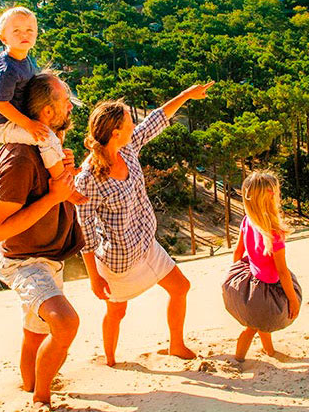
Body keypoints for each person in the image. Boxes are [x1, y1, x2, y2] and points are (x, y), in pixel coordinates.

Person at [74, 82, 213, 367]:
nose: (134, 126)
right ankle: (110, 361)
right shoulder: (88, 177)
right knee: (117, 312)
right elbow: (85, 230)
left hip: (147, 244)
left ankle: (176, 345)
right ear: (115, 133)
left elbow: (156, 119)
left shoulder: (127, 148)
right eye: (129, 122)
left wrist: (186, 94)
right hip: (119, 260)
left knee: (180, 287)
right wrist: (93, 277)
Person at [0, 71, 85, 409]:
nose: (70, 108)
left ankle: (29, 386)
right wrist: (54, 196)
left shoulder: (47, 148)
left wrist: (67, 177)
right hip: (24, 261)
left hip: (47, 257)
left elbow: (57, 192)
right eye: (65, 102)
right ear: (46, 112)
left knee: (35, 334)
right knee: (65, 323)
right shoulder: (18, 157)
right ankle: (41, 399)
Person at [222, 170, 302, 361]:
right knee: (253, 327)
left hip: (251, 282)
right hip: (267, 288)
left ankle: (269, 351)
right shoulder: (274, 233)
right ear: (271, 198)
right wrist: (293, 300)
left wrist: (237, 281)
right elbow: (282, 272)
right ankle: (238, 359)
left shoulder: (247, 220)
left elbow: (237, 253)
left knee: (260, 321)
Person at [0, 6, 69, 182]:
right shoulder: (7, 69)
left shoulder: (24, 60)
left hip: (16, 117)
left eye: (29, 30)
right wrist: (29, 125)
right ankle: (61, 181)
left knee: (55, 131)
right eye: (16, 31)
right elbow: (1, 105)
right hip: (4, 124)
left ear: (36, 34)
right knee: (46, 138)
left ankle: (61, 165)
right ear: (3, 37)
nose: (24, 35)